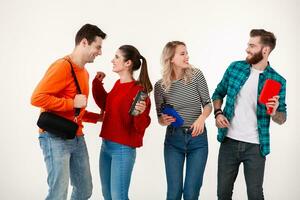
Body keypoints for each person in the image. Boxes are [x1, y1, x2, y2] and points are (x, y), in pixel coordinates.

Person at [31, 24, 106, 200]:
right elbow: (37, 98)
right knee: (58, 193)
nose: (100, 52)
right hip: (54, 137)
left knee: (84, 189)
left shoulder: (84, 73)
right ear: (84, 42)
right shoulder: (62, 66)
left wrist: (98, 118)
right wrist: (71, 102)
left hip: (76, 135)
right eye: (98, 47)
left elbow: (77, 111)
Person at [212, 29, 287, 200]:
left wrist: (274, 112)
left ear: (265, 50)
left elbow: (282, 118)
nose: (247, 49)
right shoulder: (235, 68)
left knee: (255, 194)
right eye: (248, 44)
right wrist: (217, 113)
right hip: (229, 142)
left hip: (255, 147)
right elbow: (218, 93)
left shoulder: (277, 80)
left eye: (252, 46)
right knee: (222, 193)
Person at [92, 45, 153, 200]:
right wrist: (97, 84)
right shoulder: (118, 85)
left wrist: (139, 114)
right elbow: (107, 106)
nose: (113, 60)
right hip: (106, 146)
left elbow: (140, 126)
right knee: (107, 194)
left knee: (118, 197)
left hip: (122, 149)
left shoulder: (139, 91)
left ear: (128, 63)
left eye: (117, 57)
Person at [154, 41, 212, 200]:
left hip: (197, 139)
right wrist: (164, 120)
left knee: (191, 193)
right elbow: (159, 118)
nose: (187, 56)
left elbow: (208, 104)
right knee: (173, 193)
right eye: (182, 53)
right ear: (171, 58)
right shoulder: (160, 86)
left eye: (187, 53)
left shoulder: (196, 75)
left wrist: (202, 118)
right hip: (174, 140)